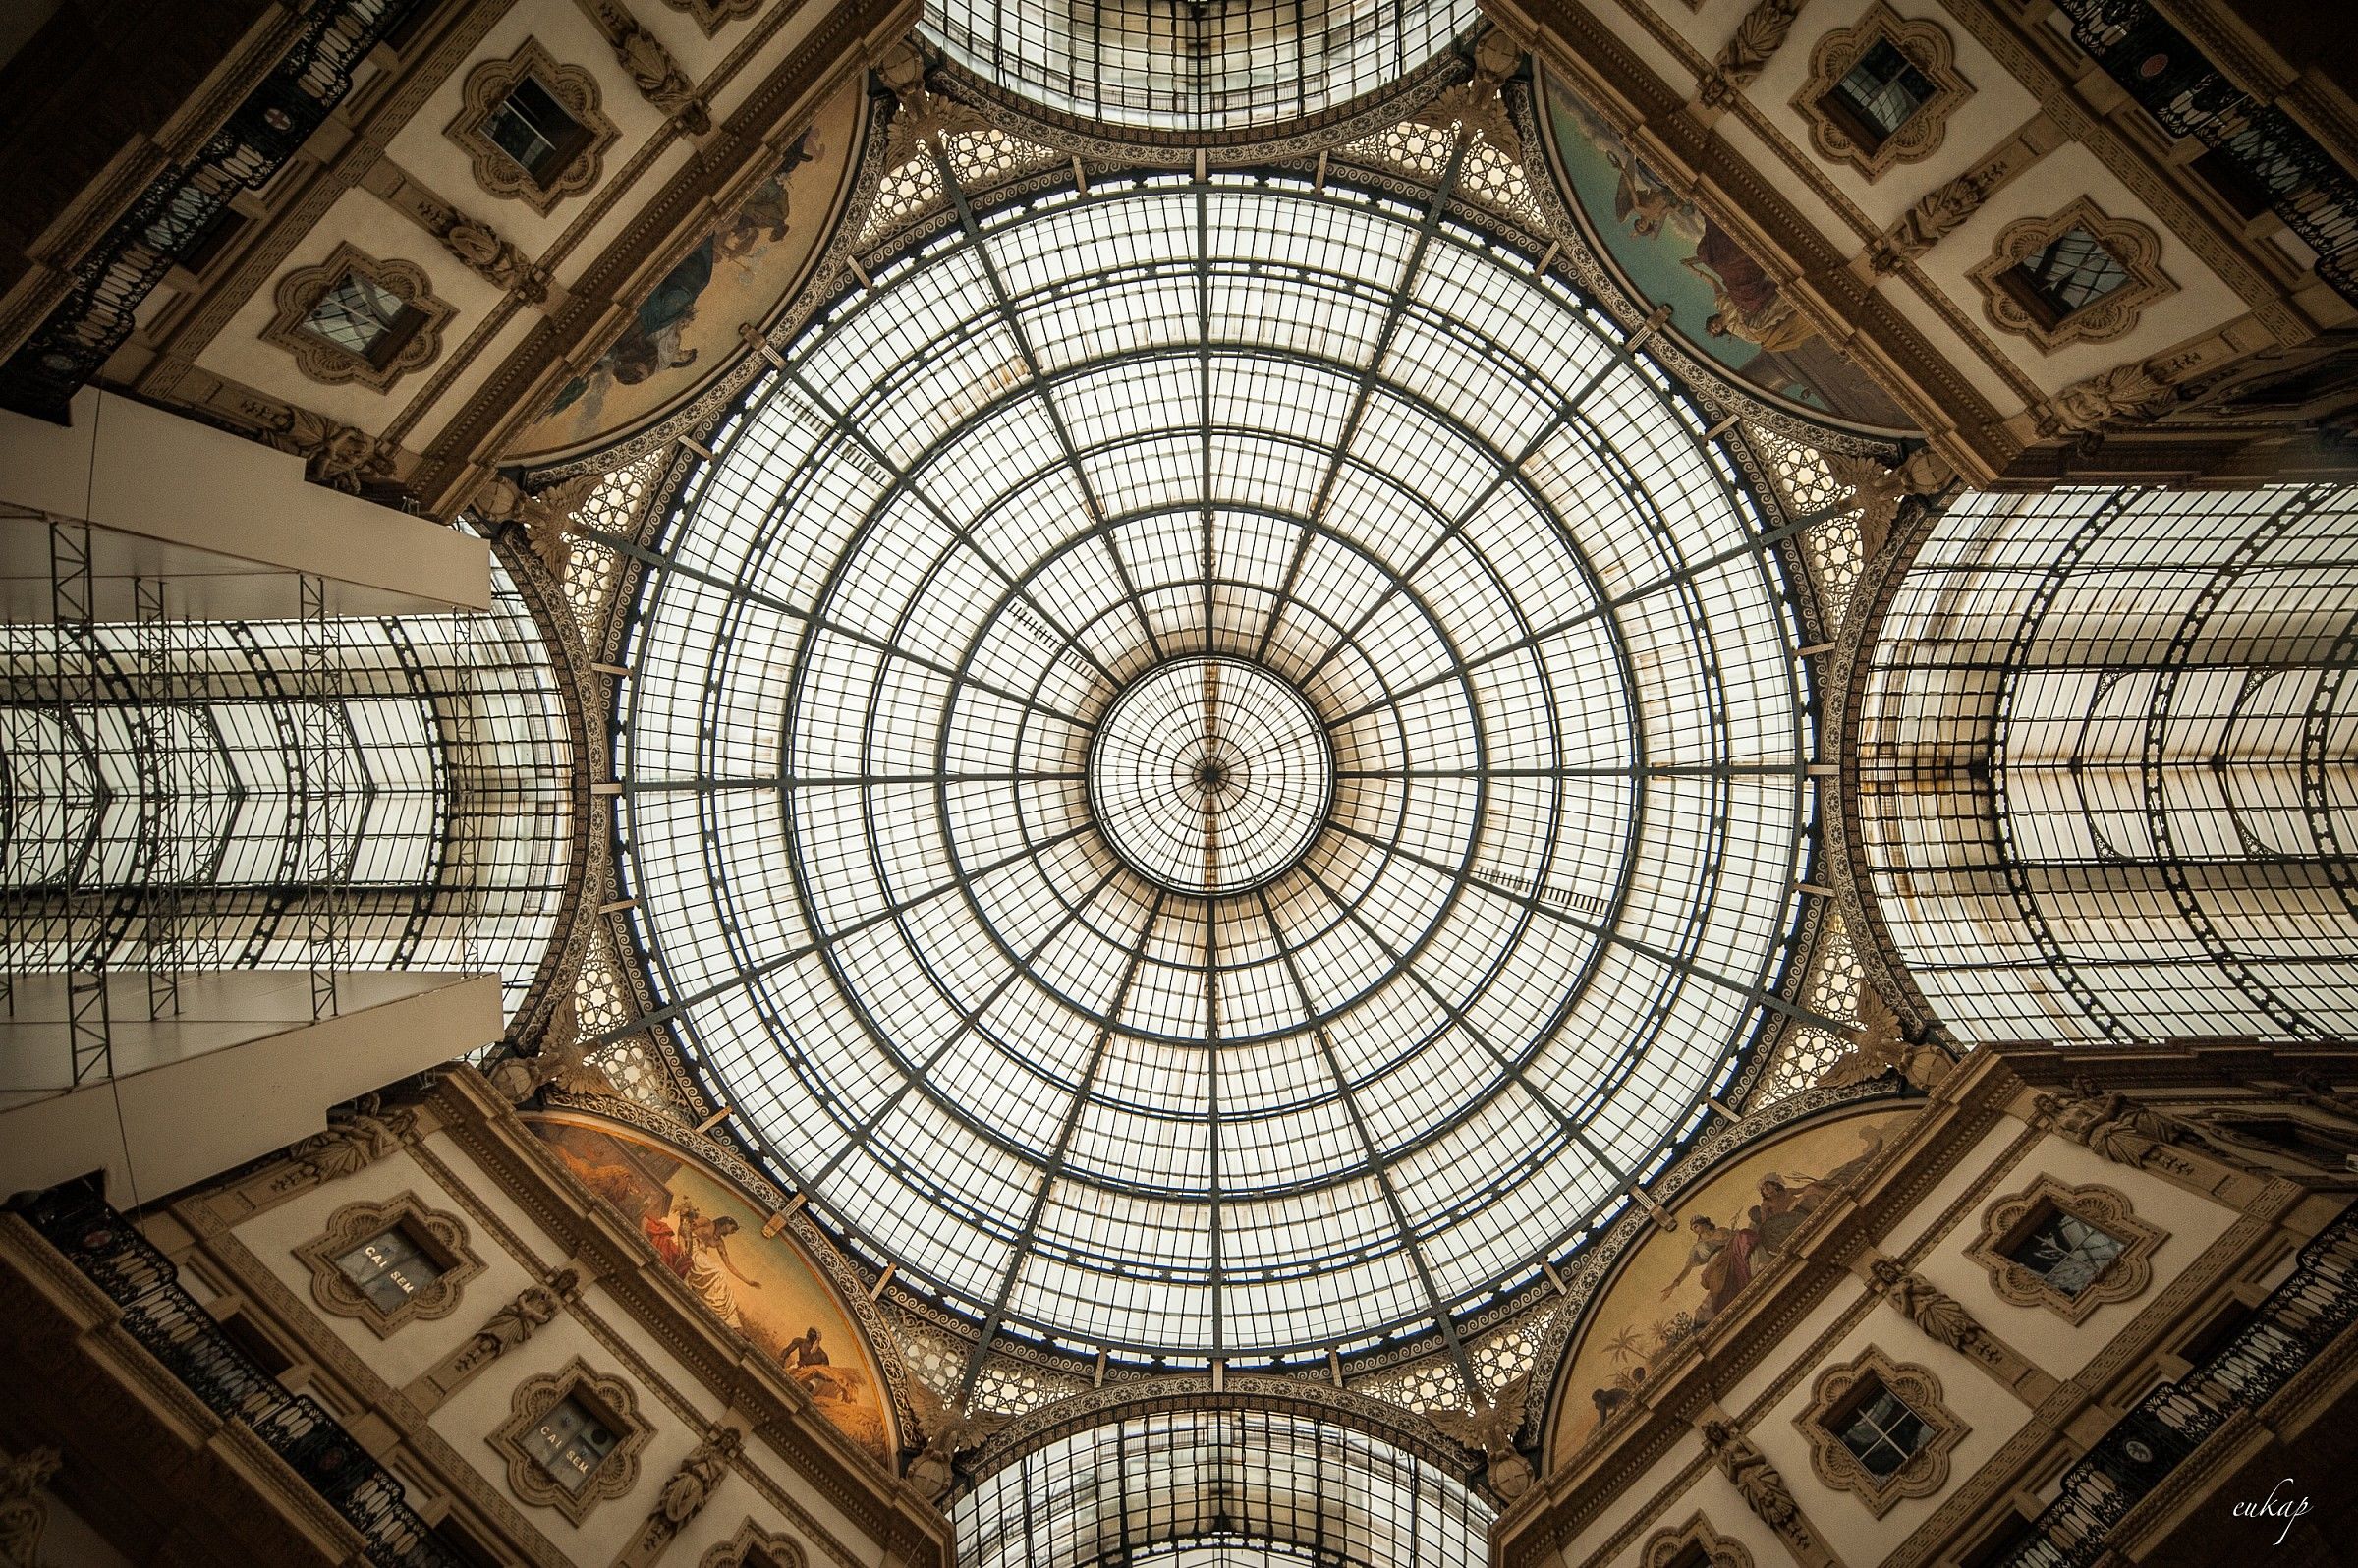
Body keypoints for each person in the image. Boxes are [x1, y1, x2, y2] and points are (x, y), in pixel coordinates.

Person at [1661, 1214, 1756, 1324]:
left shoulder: (1721, 1231)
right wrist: (1674, 1285)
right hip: (1716, 1264)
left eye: (1695, 1226)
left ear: (1703, 1223)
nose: (1694, 1230)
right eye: (1692, 1229)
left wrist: (1733, 1236)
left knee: (1744, 1234)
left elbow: (1734, 1236)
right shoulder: (1697, 1248)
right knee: (1717, 1283)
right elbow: (1688, 1268)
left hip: (1732, 1251)